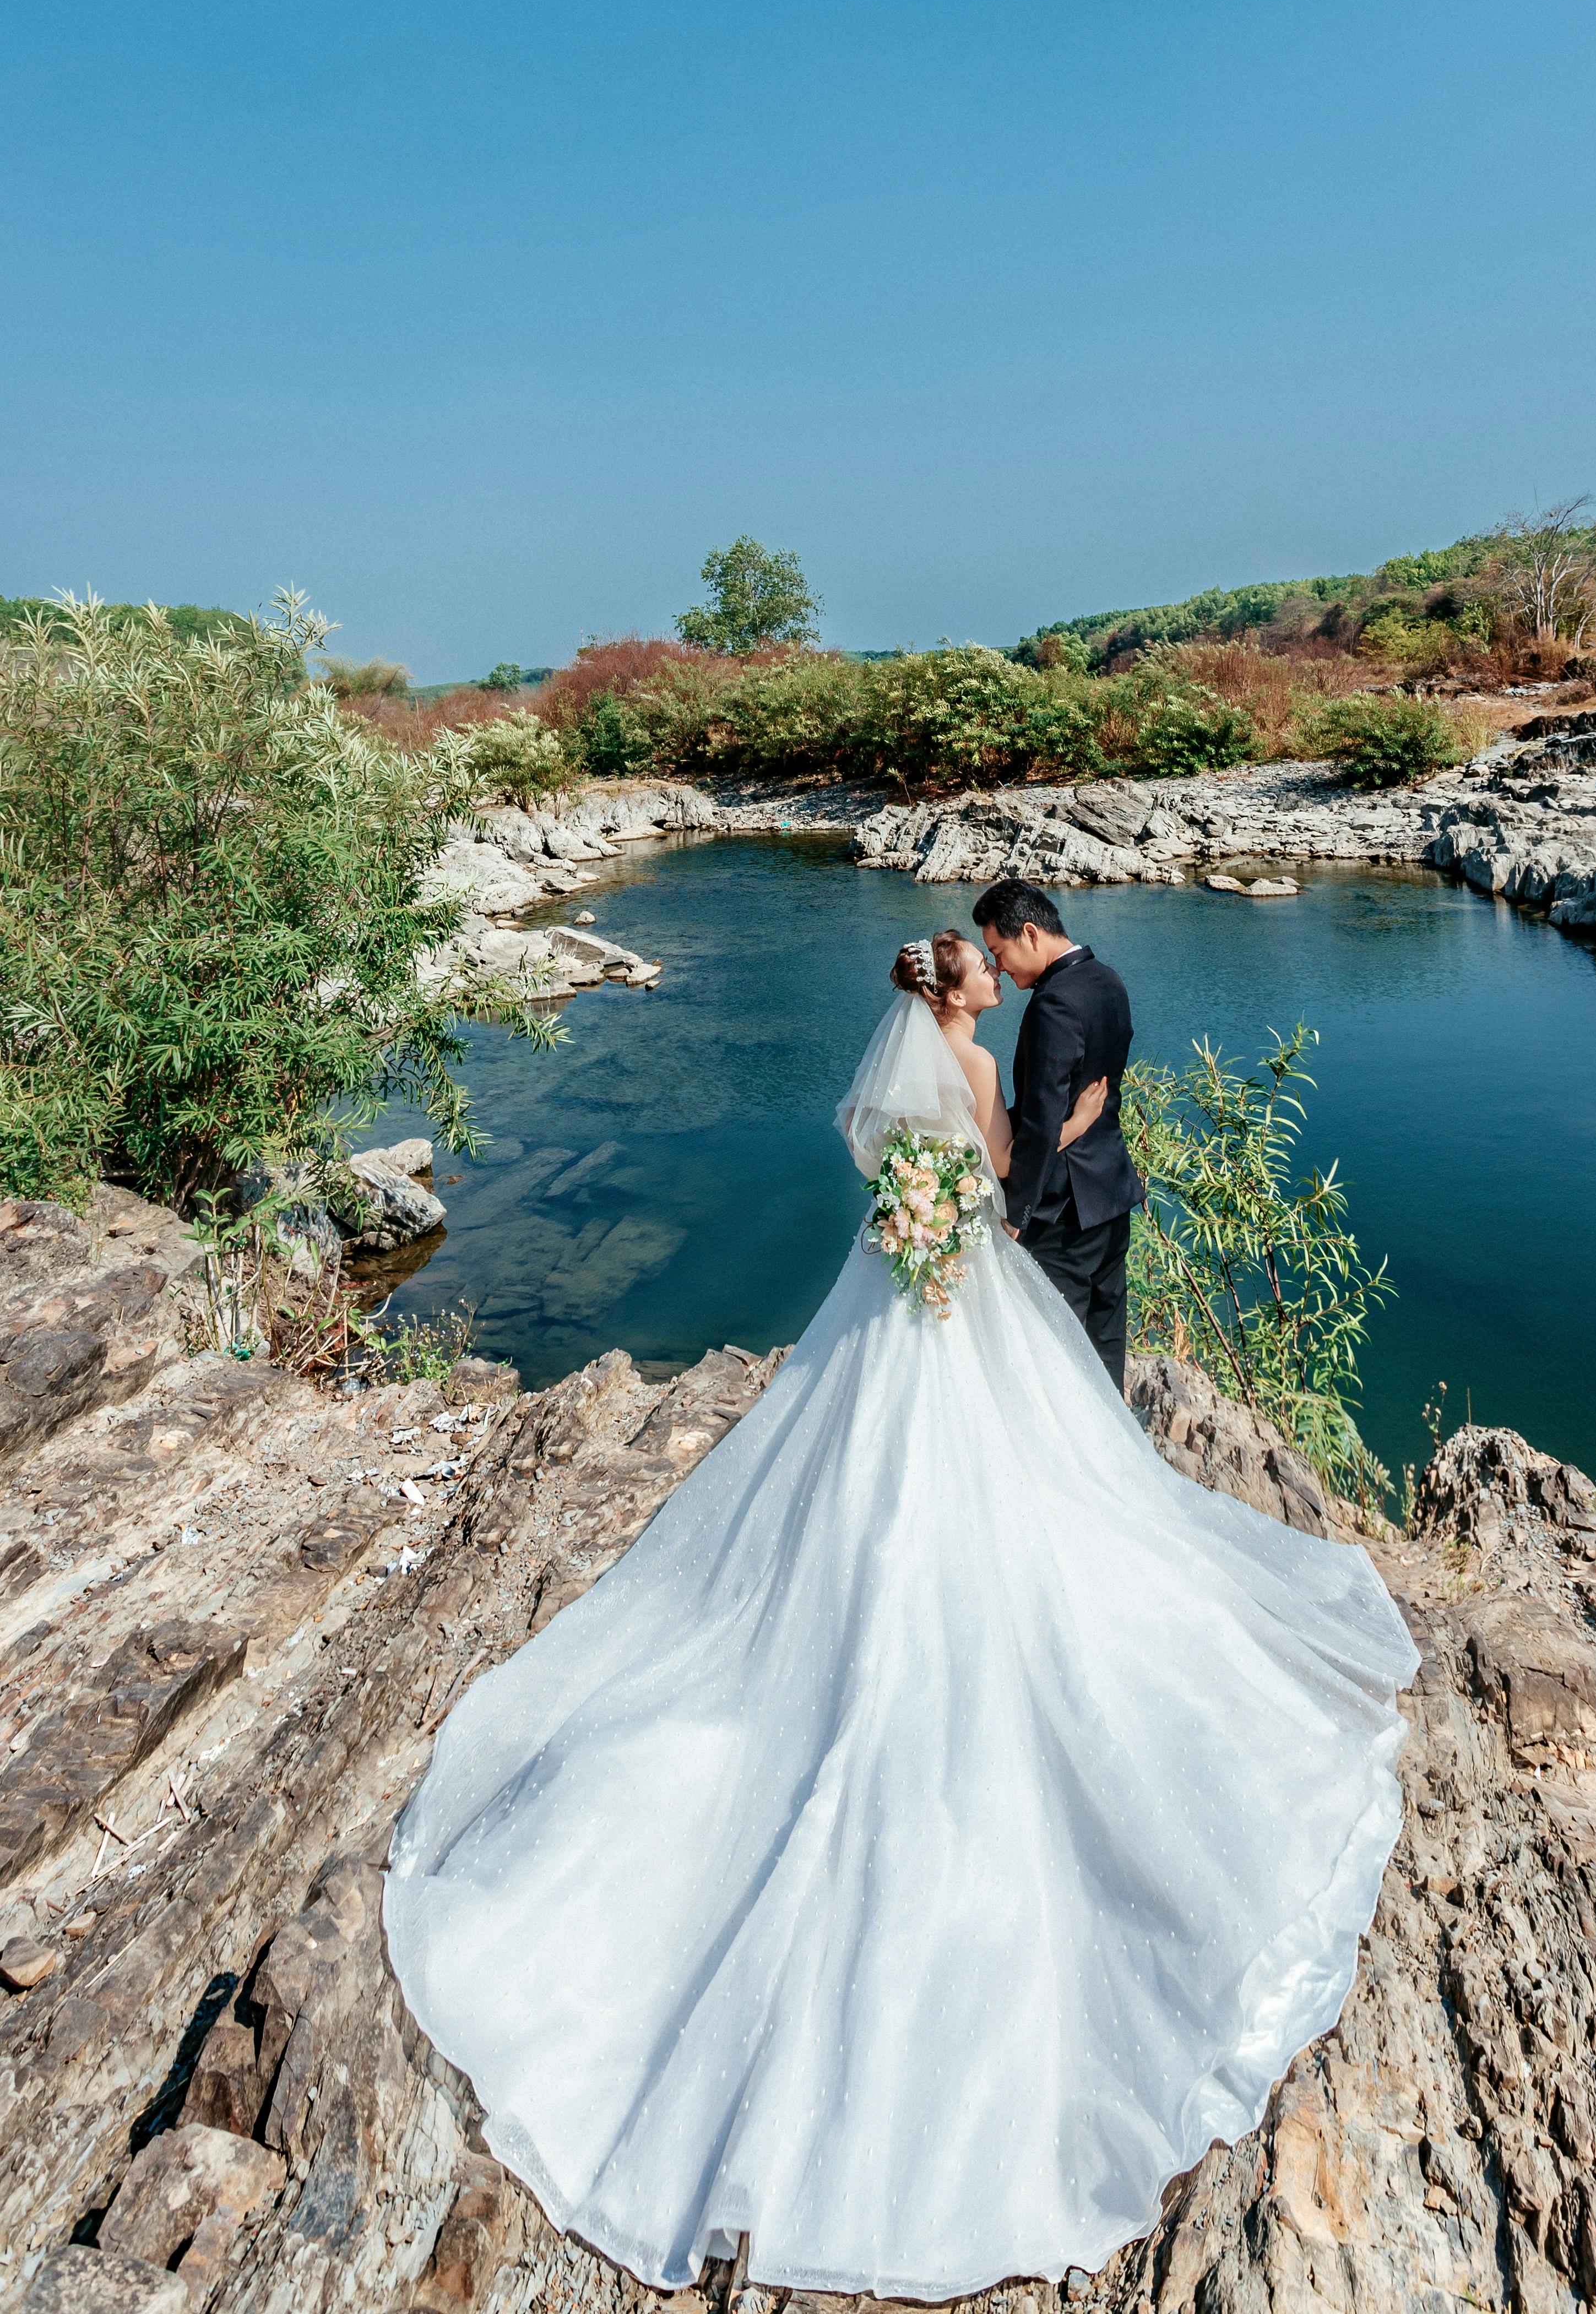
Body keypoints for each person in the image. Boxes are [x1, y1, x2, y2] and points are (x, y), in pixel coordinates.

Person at [384, 937, 1419, 2305]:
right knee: (1037, 1468)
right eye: (978, 973)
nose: (995, 976)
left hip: (892, 1288)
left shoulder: (891, 1079)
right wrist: (1063, 1134)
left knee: (851, 1476)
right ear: (955, 997)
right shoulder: (980, 1062)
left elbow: (879, 1159)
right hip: (965, 1282)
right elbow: (999, 1170)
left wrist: (922, 1212)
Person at [971, 877, 1142, 1393]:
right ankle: (1117, 1447)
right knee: (1107, 1334)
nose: (999, 966)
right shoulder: (1108, 980)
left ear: (1030, 933)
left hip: (1064, 1208)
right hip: (1111, 1188)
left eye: (999, 952)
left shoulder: (1055, 1004)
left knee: (1054, 1344)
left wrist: (1016, 1211)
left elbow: (1045, 1119)